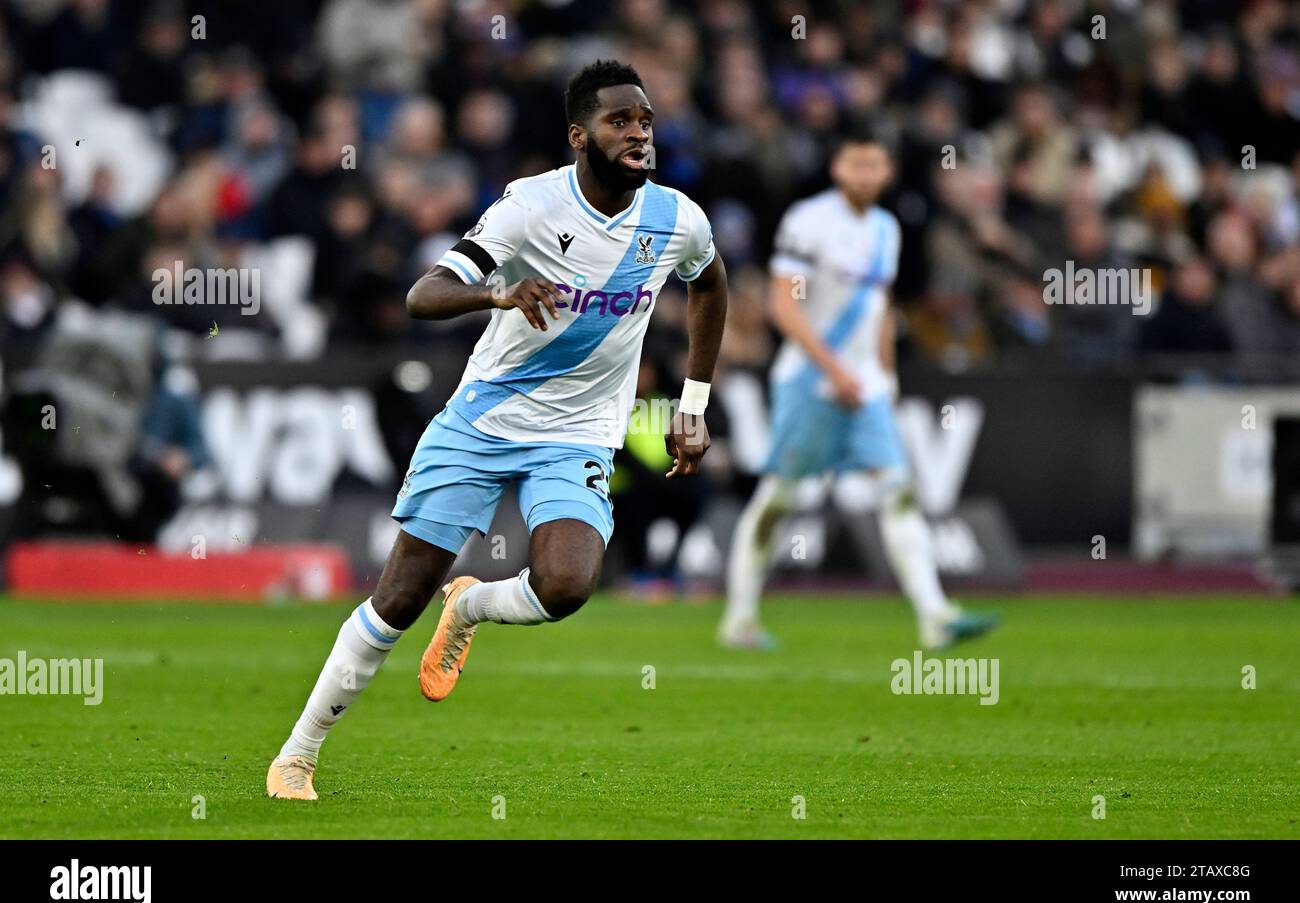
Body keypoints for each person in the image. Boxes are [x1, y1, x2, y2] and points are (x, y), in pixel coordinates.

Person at [267, 61, 727, 800]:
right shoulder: (530, 207)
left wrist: (694, 403)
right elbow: (424, 294)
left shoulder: (678, 219)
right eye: (620, 122)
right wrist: (500, 293)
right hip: (485, 417)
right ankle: (298, 753)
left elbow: (709, 285)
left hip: (579, 430)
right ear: (580, 136)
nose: (639, 133)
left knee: (569, 583)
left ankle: (472, 602)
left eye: (645, 120)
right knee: (399, 596)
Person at [718, 133, 995, 651]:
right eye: (856, 163)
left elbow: (880, 307)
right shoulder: (808, 222)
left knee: (898, 488)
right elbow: (785, 305)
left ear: (887, 172)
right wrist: (834, 370)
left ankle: (935, 616)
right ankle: (739, 619)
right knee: (779, 496)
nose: (866, 174)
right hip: (808, 382)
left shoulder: (886, 229)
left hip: (864, 388)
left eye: (875, 165)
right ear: (838, 168)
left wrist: (883, 377)